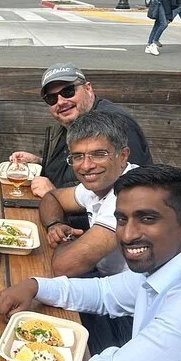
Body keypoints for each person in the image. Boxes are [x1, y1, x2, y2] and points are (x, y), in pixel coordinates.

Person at [0, 164, 181, 361]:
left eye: (147, 219)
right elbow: (105, 292)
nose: (127, 235)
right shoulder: (171, 263)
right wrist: (35, 286)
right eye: (121, 219)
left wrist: (108, 356)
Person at [11, 63, 152, 198]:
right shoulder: (70, 121)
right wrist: (40, 162)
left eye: (68, 92)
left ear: (88, 89)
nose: (60, 102)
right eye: (51, 98)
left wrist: (54, 194)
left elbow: (131, 194)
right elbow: (71, 168)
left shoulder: (116, 123)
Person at [39, 110, 136, 279]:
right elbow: (52, 197)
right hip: (107, 281)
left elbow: (66, 266)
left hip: (136, 292)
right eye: (78, 156)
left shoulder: (129, 195)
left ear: (123, 156)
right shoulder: (101, 182)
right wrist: (55, 225)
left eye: (98, 154)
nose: (86, 166)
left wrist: (67, 238)